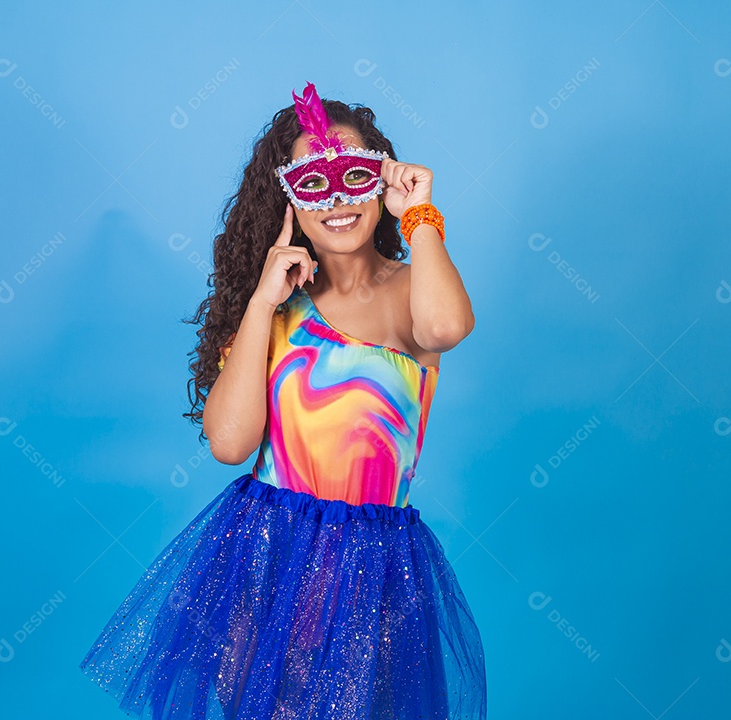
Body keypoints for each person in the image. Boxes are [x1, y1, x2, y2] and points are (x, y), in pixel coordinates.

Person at [80, 81, 487, 719]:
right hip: (268, 555)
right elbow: (230, 443)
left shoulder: (414, 290)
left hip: (373, 566)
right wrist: (263, 302)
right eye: (315, 183)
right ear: (289, 199)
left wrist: (421, 215)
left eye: (355, 174)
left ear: (382, 180)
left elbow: (446, 329)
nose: (338, 199)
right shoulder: (274, 312)